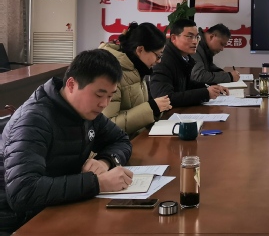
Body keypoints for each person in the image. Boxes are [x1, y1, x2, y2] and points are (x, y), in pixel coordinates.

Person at [0, 49, 133, 234]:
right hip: (19, 223)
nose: (104, 104)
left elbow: (121, 140)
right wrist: (97, 183)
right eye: (99, 94)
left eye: (110, 96)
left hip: (59, 207)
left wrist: (105, 161)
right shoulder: (33, 120)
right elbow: (23, 192)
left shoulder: (86, 111)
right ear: (71, 84)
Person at [100, 22, 172, 137]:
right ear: (140, 50)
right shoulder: (110, 72)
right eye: (158, 55)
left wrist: (156, 110)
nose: (159, 61)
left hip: (135, 139)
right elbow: (108, 126)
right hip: (118, 145)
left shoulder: (137, 68)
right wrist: (151, 108)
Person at [150, 18, 228, 107]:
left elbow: (186, 85)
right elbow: (165, 99)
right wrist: (205, 93)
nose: (195, 41)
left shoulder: (184, 57)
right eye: (190, 37)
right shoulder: (163, 61)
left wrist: (212, 87)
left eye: (197, 37)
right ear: (174, 38)